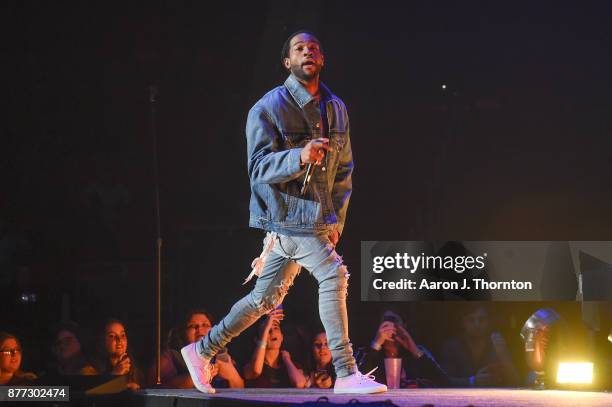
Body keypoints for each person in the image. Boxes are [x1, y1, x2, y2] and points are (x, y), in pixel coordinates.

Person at [181, 30, 386, 394]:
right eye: (299, 48)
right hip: (285, 217)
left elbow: (344, 170)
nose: (309, 51)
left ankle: (202, 349)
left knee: (264, 299)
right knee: (334, 275)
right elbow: (257, 168)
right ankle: (345, 371)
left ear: (322, 60)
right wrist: (300, 156)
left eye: (315, 48)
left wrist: (336, 219)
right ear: (287, 62)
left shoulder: (336, 107)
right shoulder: (267, 108)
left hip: (317, 221)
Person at [149, 309, 244, 388]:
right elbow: (153, 388)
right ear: (182, 333)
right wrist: (194, 379)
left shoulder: (221, 355)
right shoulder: (171, 356)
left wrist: (233, 376)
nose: (199, 329)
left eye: (205, 325)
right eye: (192, 326)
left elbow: (240, 390)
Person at [357, 311, 448, 387]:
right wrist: (376, 345)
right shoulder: (366, 351)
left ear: (404, 326)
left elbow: (444, 381)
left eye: (394, 322)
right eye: (385, 322)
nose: (390, 328)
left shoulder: (419, 351)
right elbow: (356, 382)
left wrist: (415, 351)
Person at [439, 304, 519, 387]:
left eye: (481, 319)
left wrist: (504, 355)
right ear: (463, 323)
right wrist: (472, 381)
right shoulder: (452, 346)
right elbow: (444, 380)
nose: (477, 324)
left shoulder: (496, 344)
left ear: (488, 322)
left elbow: (515, 381)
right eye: (471, 319)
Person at [243, 308, 306, 388]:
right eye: (268, 329)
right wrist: (265, 330)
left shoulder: (291, 364)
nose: (272, 332)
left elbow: (299, 383)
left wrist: (287, 360)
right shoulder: (249, 364)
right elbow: (255, 371)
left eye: (276, 328)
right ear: (257, 339)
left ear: (282, 337)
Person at [92, 319, 143, 390]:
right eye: (112, 336)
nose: (119, 340)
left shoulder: (134, 368)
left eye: (122, 335)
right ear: (102, 341)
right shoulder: (91, 369)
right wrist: (115, 375)